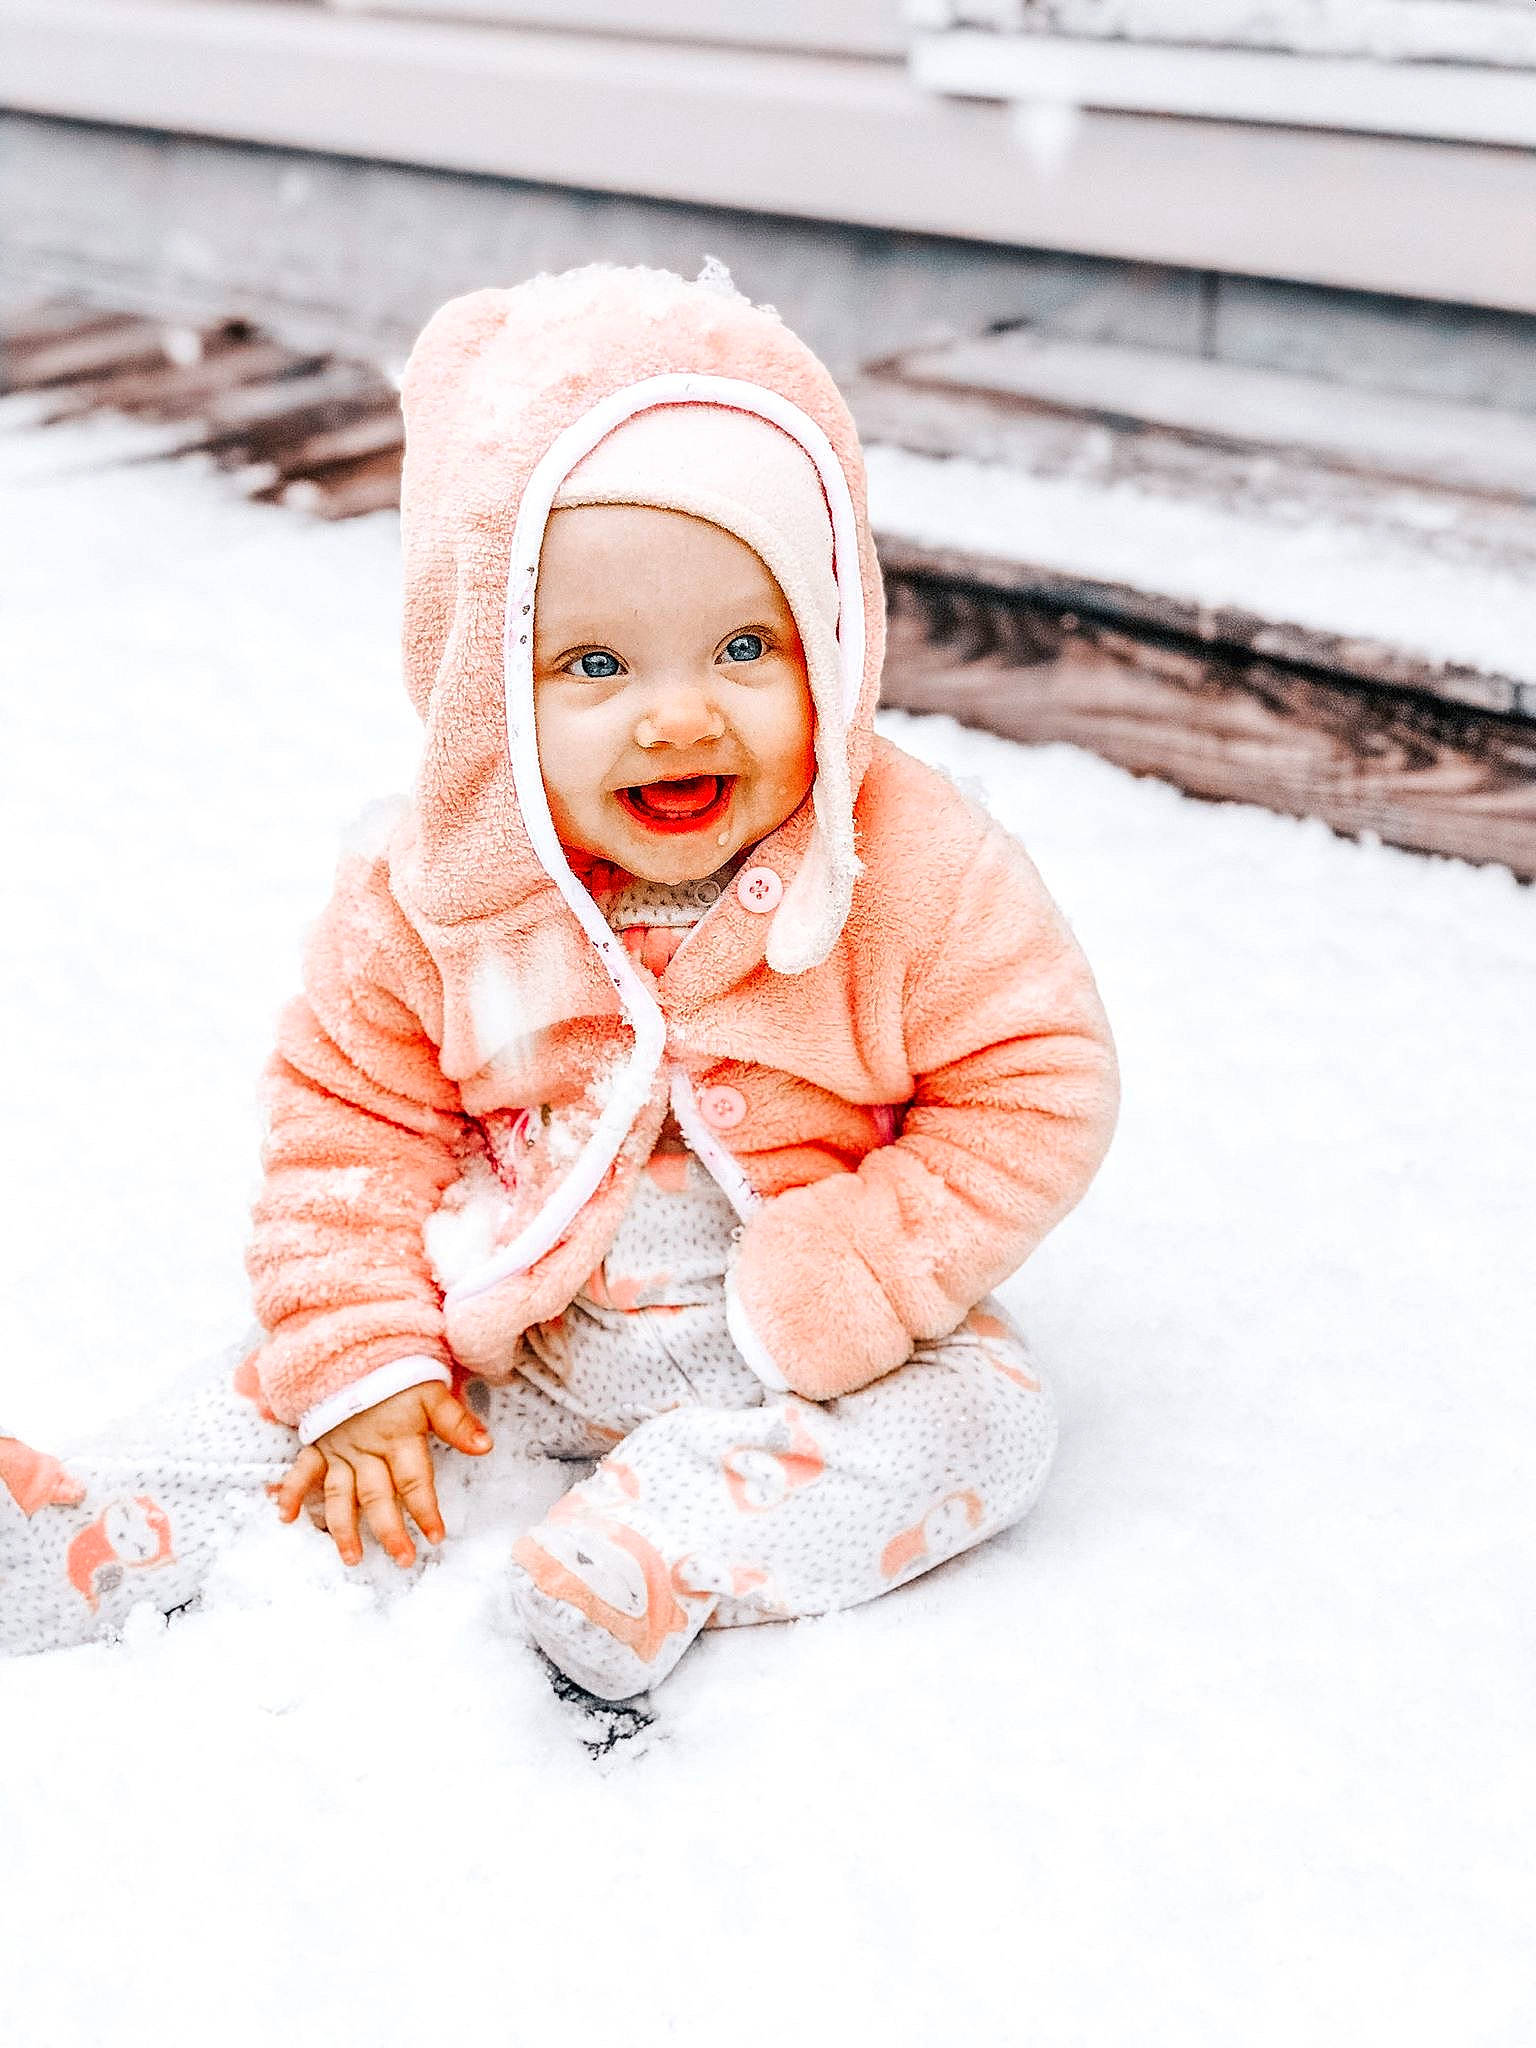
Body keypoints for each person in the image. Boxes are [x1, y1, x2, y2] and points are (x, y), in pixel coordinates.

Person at [0, 263, 1118, 1696]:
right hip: (515, 1309)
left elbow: (1038, 1082)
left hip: (788, 1333)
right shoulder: (443, 893)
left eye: (743, 646)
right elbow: (349, 1124)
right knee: (307, 1388)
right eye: (595, 662)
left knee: (991, 1418)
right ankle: (102, 1527)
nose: (678, 714)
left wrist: (862, 1265)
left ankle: (665, 1545)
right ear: (490, 692)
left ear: (829, 643)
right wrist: (368, 1353)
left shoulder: (910, 868)